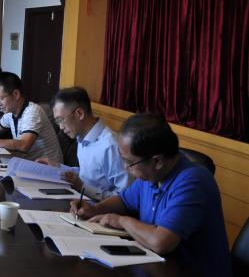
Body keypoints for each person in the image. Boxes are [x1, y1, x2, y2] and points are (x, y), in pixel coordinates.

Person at [70, 113, 231, 275]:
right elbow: (123, 201)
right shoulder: (151, 175)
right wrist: (95, 209)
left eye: (129, 163)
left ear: (157, 161)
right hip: (154, 266)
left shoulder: (193, 181)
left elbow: (160, 242)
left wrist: (121, 220)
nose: (126, 168)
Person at [36, 87, 129, 200]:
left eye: (61, 120)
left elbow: (125, 199)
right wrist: (58, 167)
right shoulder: (82, 137)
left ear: (79, 113)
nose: (60, 127)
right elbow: (88, 174)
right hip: (80, 200)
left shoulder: (111, 146)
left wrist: (82, 187)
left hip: (99, 207)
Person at [0, 72, 62, 163]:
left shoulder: (32, 112)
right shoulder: (10, 113)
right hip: (28, 164)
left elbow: (24, 145)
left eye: (1, 99)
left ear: (16, 94)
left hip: (48, 168)